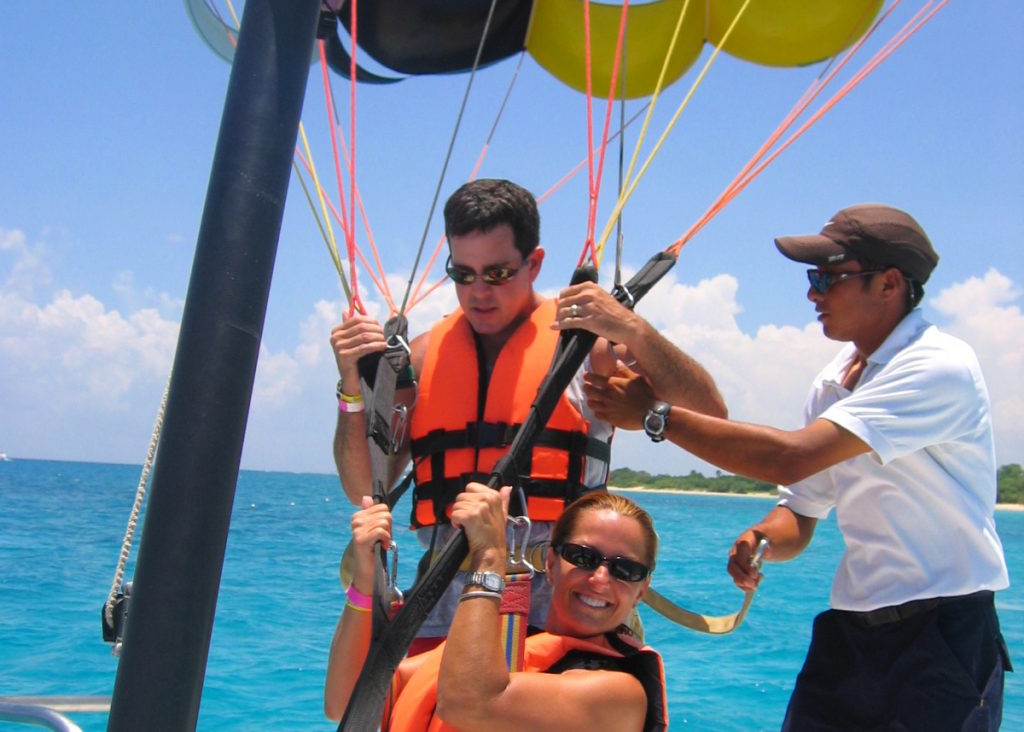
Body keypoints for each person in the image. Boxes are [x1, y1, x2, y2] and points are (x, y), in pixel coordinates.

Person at [561, 203, 1012, 730]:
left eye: (828, 277)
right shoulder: (834, 381)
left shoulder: (938, 366)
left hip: (944, 636)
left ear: (890, 284)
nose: (812, 293)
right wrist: (764, 536)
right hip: (852, 630)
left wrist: (655, 417)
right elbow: (802, 506)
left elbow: (789, 455)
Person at [330, 178, 725, 650]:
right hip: (441, 608)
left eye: (496, 273)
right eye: (463, 274)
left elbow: (711, 416)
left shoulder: (585, 345)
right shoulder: (424, 355)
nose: (478, 292)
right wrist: (352, 389)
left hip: (560, 607)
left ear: (534, 263)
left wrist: (635, 331)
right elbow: (362, 488)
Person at [324, 485, 667, 731]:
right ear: (550, 563)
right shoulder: (508, 651)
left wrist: (489, 558)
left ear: (640, 591)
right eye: (583, 557)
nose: (600, 579)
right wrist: (365, 581)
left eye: (626, 570)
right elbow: (347, 702)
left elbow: (467, 705)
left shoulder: (620, 694)